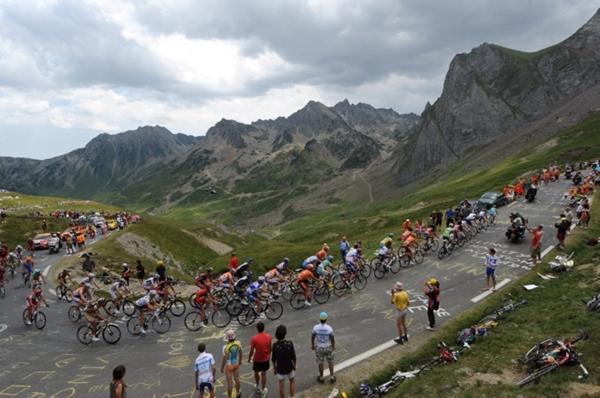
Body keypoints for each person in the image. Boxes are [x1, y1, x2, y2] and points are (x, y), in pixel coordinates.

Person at [272, 324, 296, 398]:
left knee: (281, 384)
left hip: (280, 368)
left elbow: (273, 359)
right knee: (292, 381)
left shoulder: (275, 345)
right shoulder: (289, 343)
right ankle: (292, 396)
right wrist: (294, 365)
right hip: (289, 366)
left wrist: (275, 368)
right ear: (285, 334)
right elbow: (293, 356)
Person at [248, 322, 272, 397]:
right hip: (265, 358)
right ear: (263, 328)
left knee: (256, 372)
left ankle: (257, 386)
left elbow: (251, 350)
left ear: (257, 329)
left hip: (257, 359)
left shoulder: (254, 339)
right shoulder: (269, 336)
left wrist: (249, 358)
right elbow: (270, 347)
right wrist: (268, 354)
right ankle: (263, 389)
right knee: (264, 374)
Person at [311, 311, 335, 384]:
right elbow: (332, 338)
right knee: (330, 362)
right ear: (326, 319)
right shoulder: (329, 328)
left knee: (321, 363)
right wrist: (333, 346)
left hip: (319, 347)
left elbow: (312, 337)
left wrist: (312, 345)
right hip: (328, 346)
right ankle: (332, 377)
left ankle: (321, 377)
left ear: (319, 319)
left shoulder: (315, 328)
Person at [221, 329, 243, 398]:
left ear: (227, 339)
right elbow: (241, 353)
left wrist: (222, 367)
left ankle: (229, 396)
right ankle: (238, 392)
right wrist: (240, 361)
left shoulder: (225, 347)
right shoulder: (238, 343)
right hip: (236, 363)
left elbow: (224, 359)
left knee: (230, 383)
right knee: (237, 379)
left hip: (229, 366)